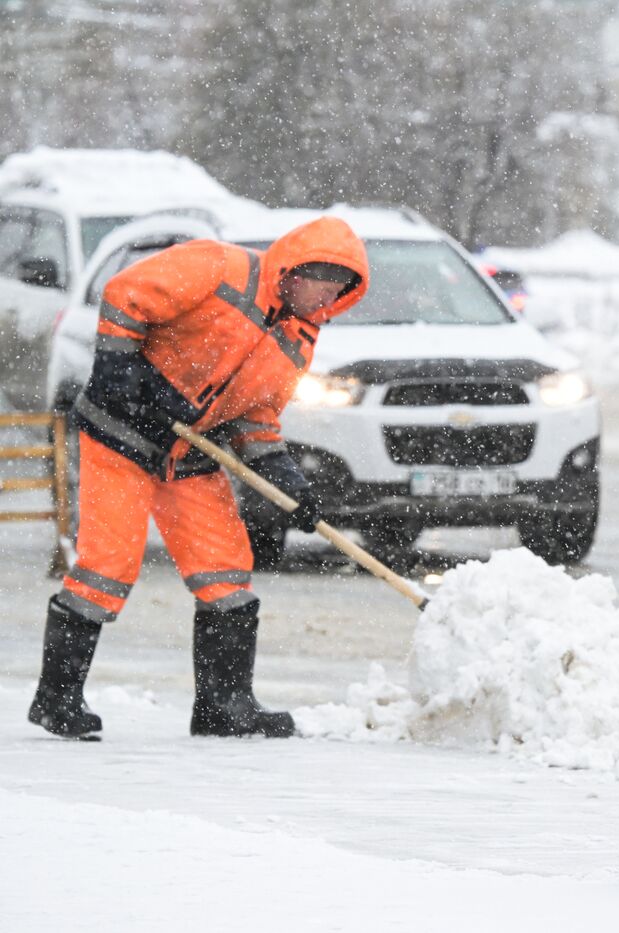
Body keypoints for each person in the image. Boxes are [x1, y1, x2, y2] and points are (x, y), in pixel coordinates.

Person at [27, 217, 369, 740]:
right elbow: (126, 295)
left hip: (188, 452)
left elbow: (257, 417)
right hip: (121, 434)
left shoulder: (298, 340)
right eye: (323, 283)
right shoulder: (220, 267)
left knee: (226, 570)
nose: (328, 298)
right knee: (108, 565)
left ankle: (223, 707)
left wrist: (285, 482)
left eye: (339, 291)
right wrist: (121, 372)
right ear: (296, 269)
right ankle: (57, 699)